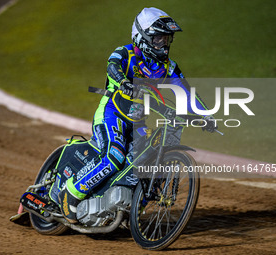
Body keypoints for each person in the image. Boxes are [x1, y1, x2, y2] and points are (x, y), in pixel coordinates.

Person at [58, 7, 216, 223]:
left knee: (148, 163)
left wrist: (206, 115)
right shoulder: (125, 52)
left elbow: (187, 94)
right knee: (114, 156)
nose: (164, 44)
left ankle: (128, 212)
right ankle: (72, 193)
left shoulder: (169, 67)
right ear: (142, 37)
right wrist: (124, 82)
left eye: (167, 39)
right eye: (158, 39)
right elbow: (112, 66)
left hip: (137, 121)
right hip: (111, 113)